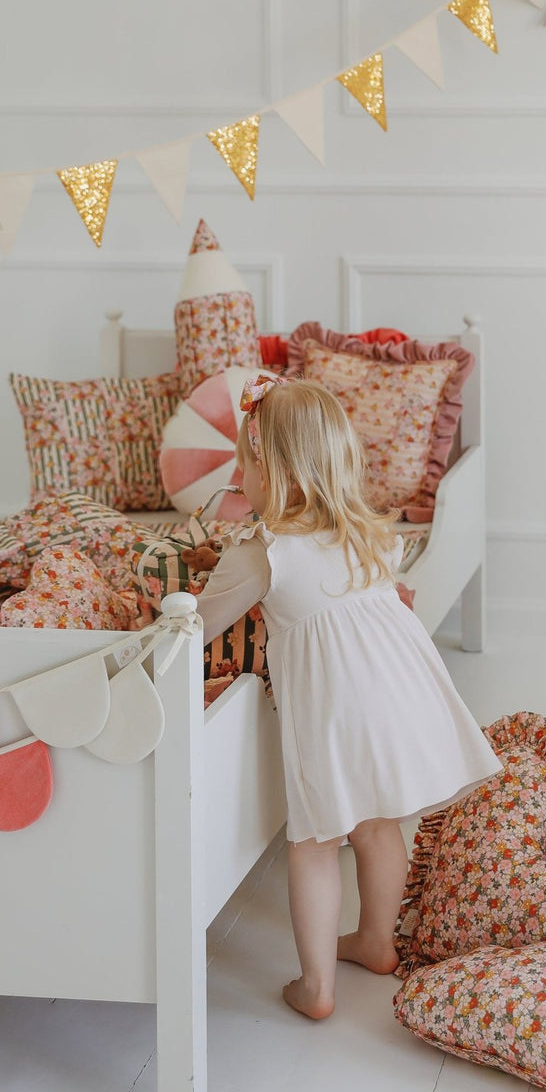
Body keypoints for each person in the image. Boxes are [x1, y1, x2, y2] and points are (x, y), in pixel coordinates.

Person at [195, 374, 500, 1020]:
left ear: (274, 474)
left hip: (332, 712)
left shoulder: (264, 553)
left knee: (314, 841)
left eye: (245, 464)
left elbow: (195, 625)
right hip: (399, 696)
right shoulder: (370, 533)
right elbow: (394, 598)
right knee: (378, 825)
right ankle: (376, 940)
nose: (239, 478)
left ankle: (317, 986)